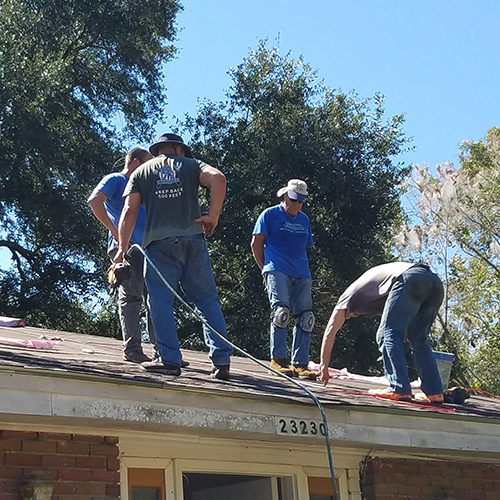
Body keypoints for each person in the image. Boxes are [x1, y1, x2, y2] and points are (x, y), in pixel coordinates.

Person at [113, 133, 233, 380]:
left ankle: (169, 359)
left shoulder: (142, 172)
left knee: (160, 302)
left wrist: (121, 250)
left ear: (158, 150)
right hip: (193, 241)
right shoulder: (191, 165)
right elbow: (218, 178)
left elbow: (129, 210)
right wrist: (213, 216)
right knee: (207, 301)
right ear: (179, 149)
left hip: (159, 245)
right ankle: (221, 361)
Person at [318, 262, 445, 403]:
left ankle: (398, 388)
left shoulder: (346, 299)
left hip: (409, 277)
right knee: (418, 339)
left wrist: (324, 365)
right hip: (434, 282)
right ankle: (435, 393)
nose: (350, 317)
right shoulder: (374, 297)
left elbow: (330, 331)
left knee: (386, 334)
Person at [88, 148, 155, 363]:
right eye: (147, 165)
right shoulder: (116, 179)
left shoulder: (145, 188)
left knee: (156, 298)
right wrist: (114, 230)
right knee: (132, 296)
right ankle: (133, 349)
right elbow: (94, 200)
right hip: (126, 249)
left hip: (150, 249)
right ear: (135, 163)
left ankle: (164, 351)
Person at [251, 179, 317, 380]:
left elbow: (304, 246)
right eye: (294, 200)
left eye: (301, 201)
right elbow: (256, 243)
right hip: (276, 269)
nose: (297, 205)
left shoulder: (304, 220)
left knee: (306, 318)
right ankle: (278, 359)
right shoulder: (269, 215)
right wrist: (265, 270)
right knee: (281, 312)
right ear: (285, 195)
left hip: (301, 273)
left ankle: (300, 364)